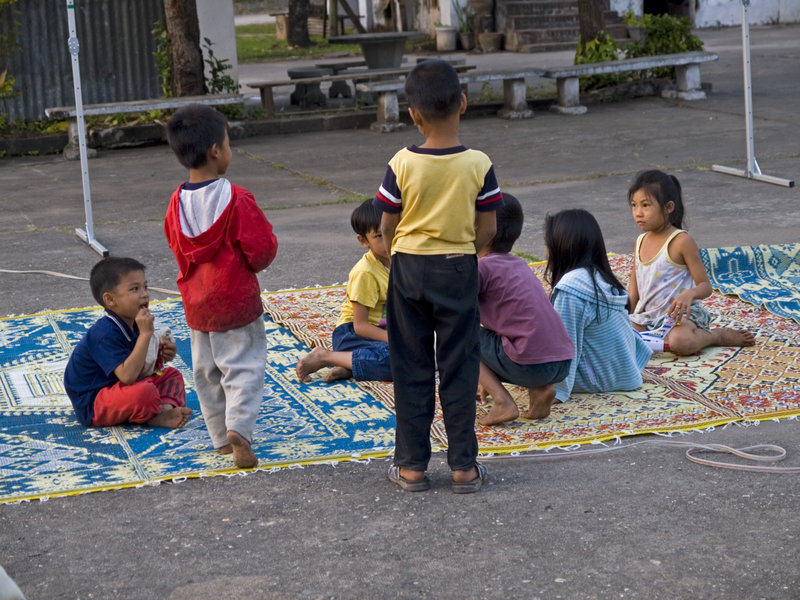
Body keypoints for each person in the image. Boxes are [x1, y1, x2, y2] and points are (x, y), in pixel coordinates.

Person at [373, 60, 504, 493]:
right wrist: (469, 250)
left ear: (413, 114)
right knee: (460, 365)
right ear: (463, 103)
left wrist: (396, 256)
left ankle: (411, 467)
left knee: (410, 365)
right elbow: (489, 227)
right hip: (458, 265)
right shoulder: (479, 164)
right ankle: (464, 467)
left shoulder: (401, 162)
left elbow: (387, 222)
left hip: (409, 265)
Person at [164, 104, 278, 469]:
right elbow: (261, 251)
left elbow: (175, 244)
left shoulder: (174, 203)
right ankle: (239, 428)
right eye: (228, 143)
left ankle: (219, 438)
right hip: (235, 301)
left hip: (197, 304)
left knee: (206, 370)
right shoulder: (238, 198)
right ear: (216, 149)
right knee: (243, 365)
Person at [627, 170, 755, 356]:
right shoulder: (640, 242)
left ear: (668, 207)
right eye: (634, 205)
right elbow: (633, 292)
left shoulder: (681, 241)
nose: (638, 213)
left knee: (681, 343)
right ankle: (657, 341)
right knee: (617, 334)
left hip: (679, 319)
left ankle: (715, 336)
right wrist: (620, 317)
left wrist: (690, 294)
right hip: (647, 319)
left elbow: (705, 286)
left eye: (645, 205)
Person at [476, 193, 574, 425]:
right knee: (508, 336)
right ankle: (541, 391)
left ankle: (502, 402)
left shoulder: (480, 268)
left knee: (454, 338)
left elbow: (453, 312)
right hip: (562, 362)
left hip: (529, 364)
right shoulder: (519, 264)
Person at [64, 257, 190, 429]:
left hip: (123, 388)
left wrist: (164, 354)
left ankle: (163, 410)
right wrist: (145, 335)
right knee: (145, 392)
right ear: (110, 300)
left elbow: (142, 364)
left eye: (145, 287)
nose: (145, 294)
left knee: (172, 375)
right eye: (134, 289)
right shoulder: (103, 333)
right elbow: (128, 376)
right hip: (95, 402)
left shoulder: (133, 322)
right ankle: (152, 414)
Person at [544, 209, 652, 402]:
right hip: (626, 371)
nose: (546, 251)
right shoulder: (598, 276)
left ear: (561, 247)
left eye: (548, 244)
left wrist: (556, 391)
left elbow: (565, 344)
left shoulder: (570, 288)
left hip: (600, 379)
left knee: (507, 350)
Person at [295, 199, 391, 383]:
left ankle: (349, 366)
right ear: (363, 240)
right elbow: (360, 326)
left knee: (428, 352)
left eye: (392, 230)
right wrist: (395, 340)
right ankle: (326, 356)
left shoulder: (402, 259)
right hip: (352, 335)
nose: (389, 239)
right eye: (379, 235)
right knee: (401, 361)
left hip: (383, 334)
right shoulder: (365, 273)